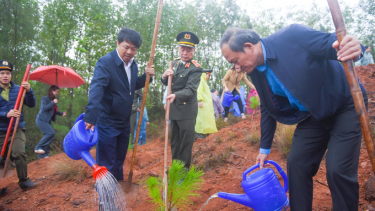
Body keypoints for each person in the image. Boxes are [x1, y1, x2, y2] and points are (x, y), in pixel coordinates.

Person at [220, 24, 366, 211]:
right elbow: (266, 105)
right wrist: (264, 148)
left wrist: (354, 48)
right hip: (312, 115)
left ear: (249, 47)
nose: (236, 67)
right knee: (297, 164)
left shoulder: (292, 37)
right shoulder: (255, 70)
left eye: (236, 60)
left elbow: (334, 44)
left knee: (337, 169)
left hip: (345, 104)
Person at [83, 27, 155, 181]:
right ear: (118, 43)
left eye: (134, 49)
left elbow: (131, 85)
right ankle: (106, 200)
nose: (129, 52)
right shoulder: (105, 63)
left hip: (124, 123)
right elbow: (97, 89)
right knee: (107, 163)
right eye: (126, 47)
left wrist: (146, 77)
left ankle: (118, 194)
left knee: (119, 162)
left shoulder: (132, 64)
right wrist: (90, 116)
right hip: (107, 122)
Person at [161, 31, 202, 169]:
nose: (185, 52)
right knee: (175, 142)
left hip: (186, 111)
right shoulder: (175, 64)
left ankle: (184, 172)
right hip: (174, 110)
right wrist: (164, 77)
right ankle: (176, 169)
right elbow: (169, 84)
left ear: (194, 51)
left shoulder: (195, 68)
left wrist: (175, 96)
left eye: (189, 50)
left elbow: (190, 89)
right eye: (182, 49)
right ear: (179, 49)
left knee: (185, 143)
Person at [0, 60, 36, 191]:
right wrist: (6, 114)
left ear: (10, 75)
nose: (5, 76)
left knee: (19, 152)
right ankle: (1, 185)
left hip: (17, 127)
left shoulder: (18, 89)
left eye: (7, 73)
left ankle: (24, 181)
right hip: (1, 129)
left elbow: (32, 104)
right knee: (1, 158)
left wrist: (29, 91)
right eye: (2, 73)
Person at [35, 85, 66, 159]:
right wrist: (53, 103)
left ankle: (44, 155)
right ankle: (38, 147)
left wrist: (61, 113)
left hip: (47, 121)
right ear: (52, 91)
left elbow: (54, 111)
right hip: (41, 120)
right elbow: (44, 108)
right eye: (57, 92)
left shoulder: (53, 100)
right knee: (51, 133)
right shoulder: (45, 99)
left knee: (49, 137)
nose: (58, 93)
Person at [195, 69, 217, 139]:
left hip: (206, 105)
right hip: (202, 104)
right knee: (201, 119)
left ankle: (205, 133)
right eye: (208, 75)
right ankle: (198, 134)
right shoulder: (200, 80)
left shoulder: (203, 81)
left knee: (206, 119)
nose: (209, 77)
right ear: (204, 74)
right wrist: (200, 100)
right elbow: (199, 91)